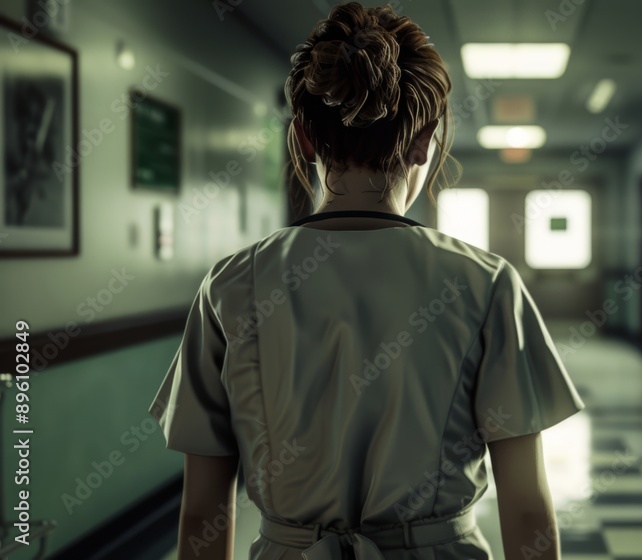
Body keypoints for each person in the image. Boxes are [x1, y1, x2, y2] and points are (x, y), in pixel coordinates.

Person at [148, 3, 584, 559]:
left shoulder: (231, 286)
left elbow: (204, 512)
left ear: (304, 139)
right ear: (425, 142)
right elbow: (526, 509)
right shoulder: (485, 283)